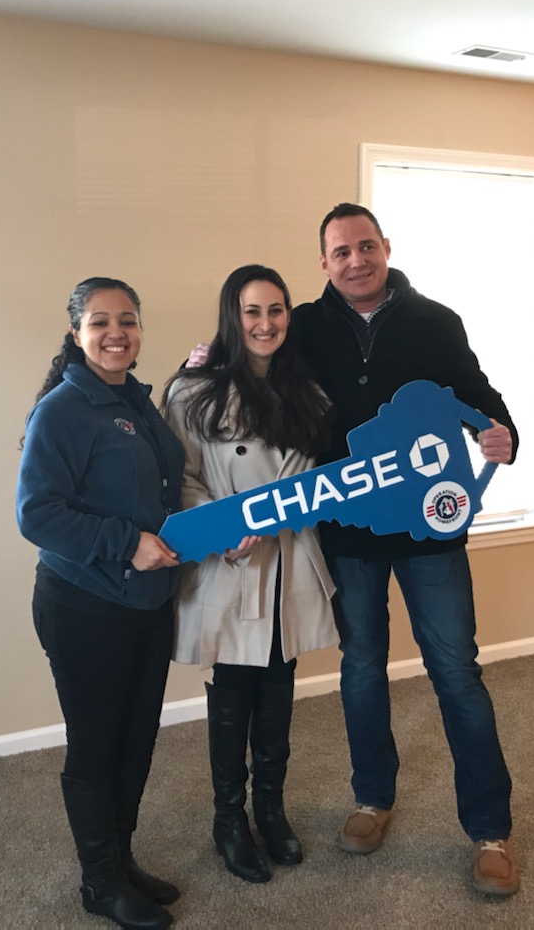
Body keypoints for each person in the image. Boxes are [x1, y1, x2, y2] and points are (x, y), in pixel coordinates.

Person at [186, 204, 522, 896]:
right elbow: (249, 360)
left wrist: (503, 433)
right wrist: (198, 363)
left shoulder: (437, 322)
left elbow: (479, 396)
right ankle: (372, 798)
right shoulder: (303, 326)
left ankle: (490, 830)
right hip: (348, 534)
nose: (355, 260)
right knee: (362, 667)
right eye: (340, 252)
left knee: (456, 671)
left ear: (385, 248)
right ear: (324, 263)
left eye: (365, 246)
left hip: (430, 530)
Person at [162, 265, 339, 885]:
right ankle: (229, 819)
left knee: (280, 685)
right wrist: (222, 532)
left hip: (289, 559)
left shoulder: (309, 394)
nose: (265, 324)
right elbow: (182, 478)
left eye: (276, 310)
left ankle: (271, 808)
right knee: (234, 687)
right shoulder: (192, 393)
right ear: (231, 318)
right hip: (231, 562)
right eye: (252, 311)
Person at [17, 277, 184, 929]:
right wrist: (126, 543)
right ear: (76, 333)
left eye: (128, 320)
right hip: (85, 605)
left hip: (148, 602)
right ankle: (99, 882)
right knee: (96, 745)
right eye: (100, 322)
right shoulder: (63, 409)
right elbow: (36, 514)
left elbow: (160, 497)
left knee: (136, 740)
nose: (117, 332)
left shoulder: (136, 400)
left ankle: (120, 860)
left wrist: (212, 535)